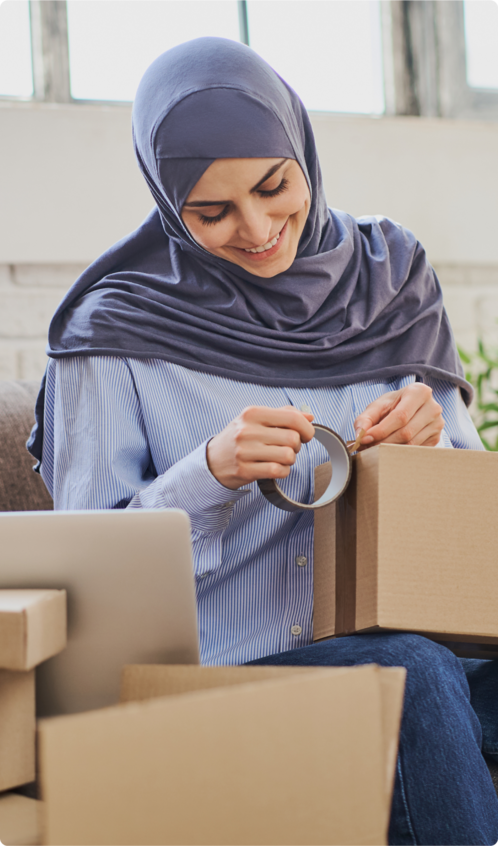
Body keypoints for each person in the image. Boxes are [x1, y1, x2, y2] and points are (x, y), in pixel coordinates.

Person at [28, 37, 498, 844]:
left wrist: (434, 446)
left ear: (301, 148)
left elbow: (463, 537)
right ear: (169, 202)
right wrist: (207, 474)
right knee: (413, 675)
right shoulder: (110, 328)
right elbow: (86, 591)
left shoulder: (392, 275)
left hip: (404, 647)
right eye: (211, 212)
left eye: (275, 186)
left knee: (421, 667)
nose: (257, 229)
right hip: (214, 675)